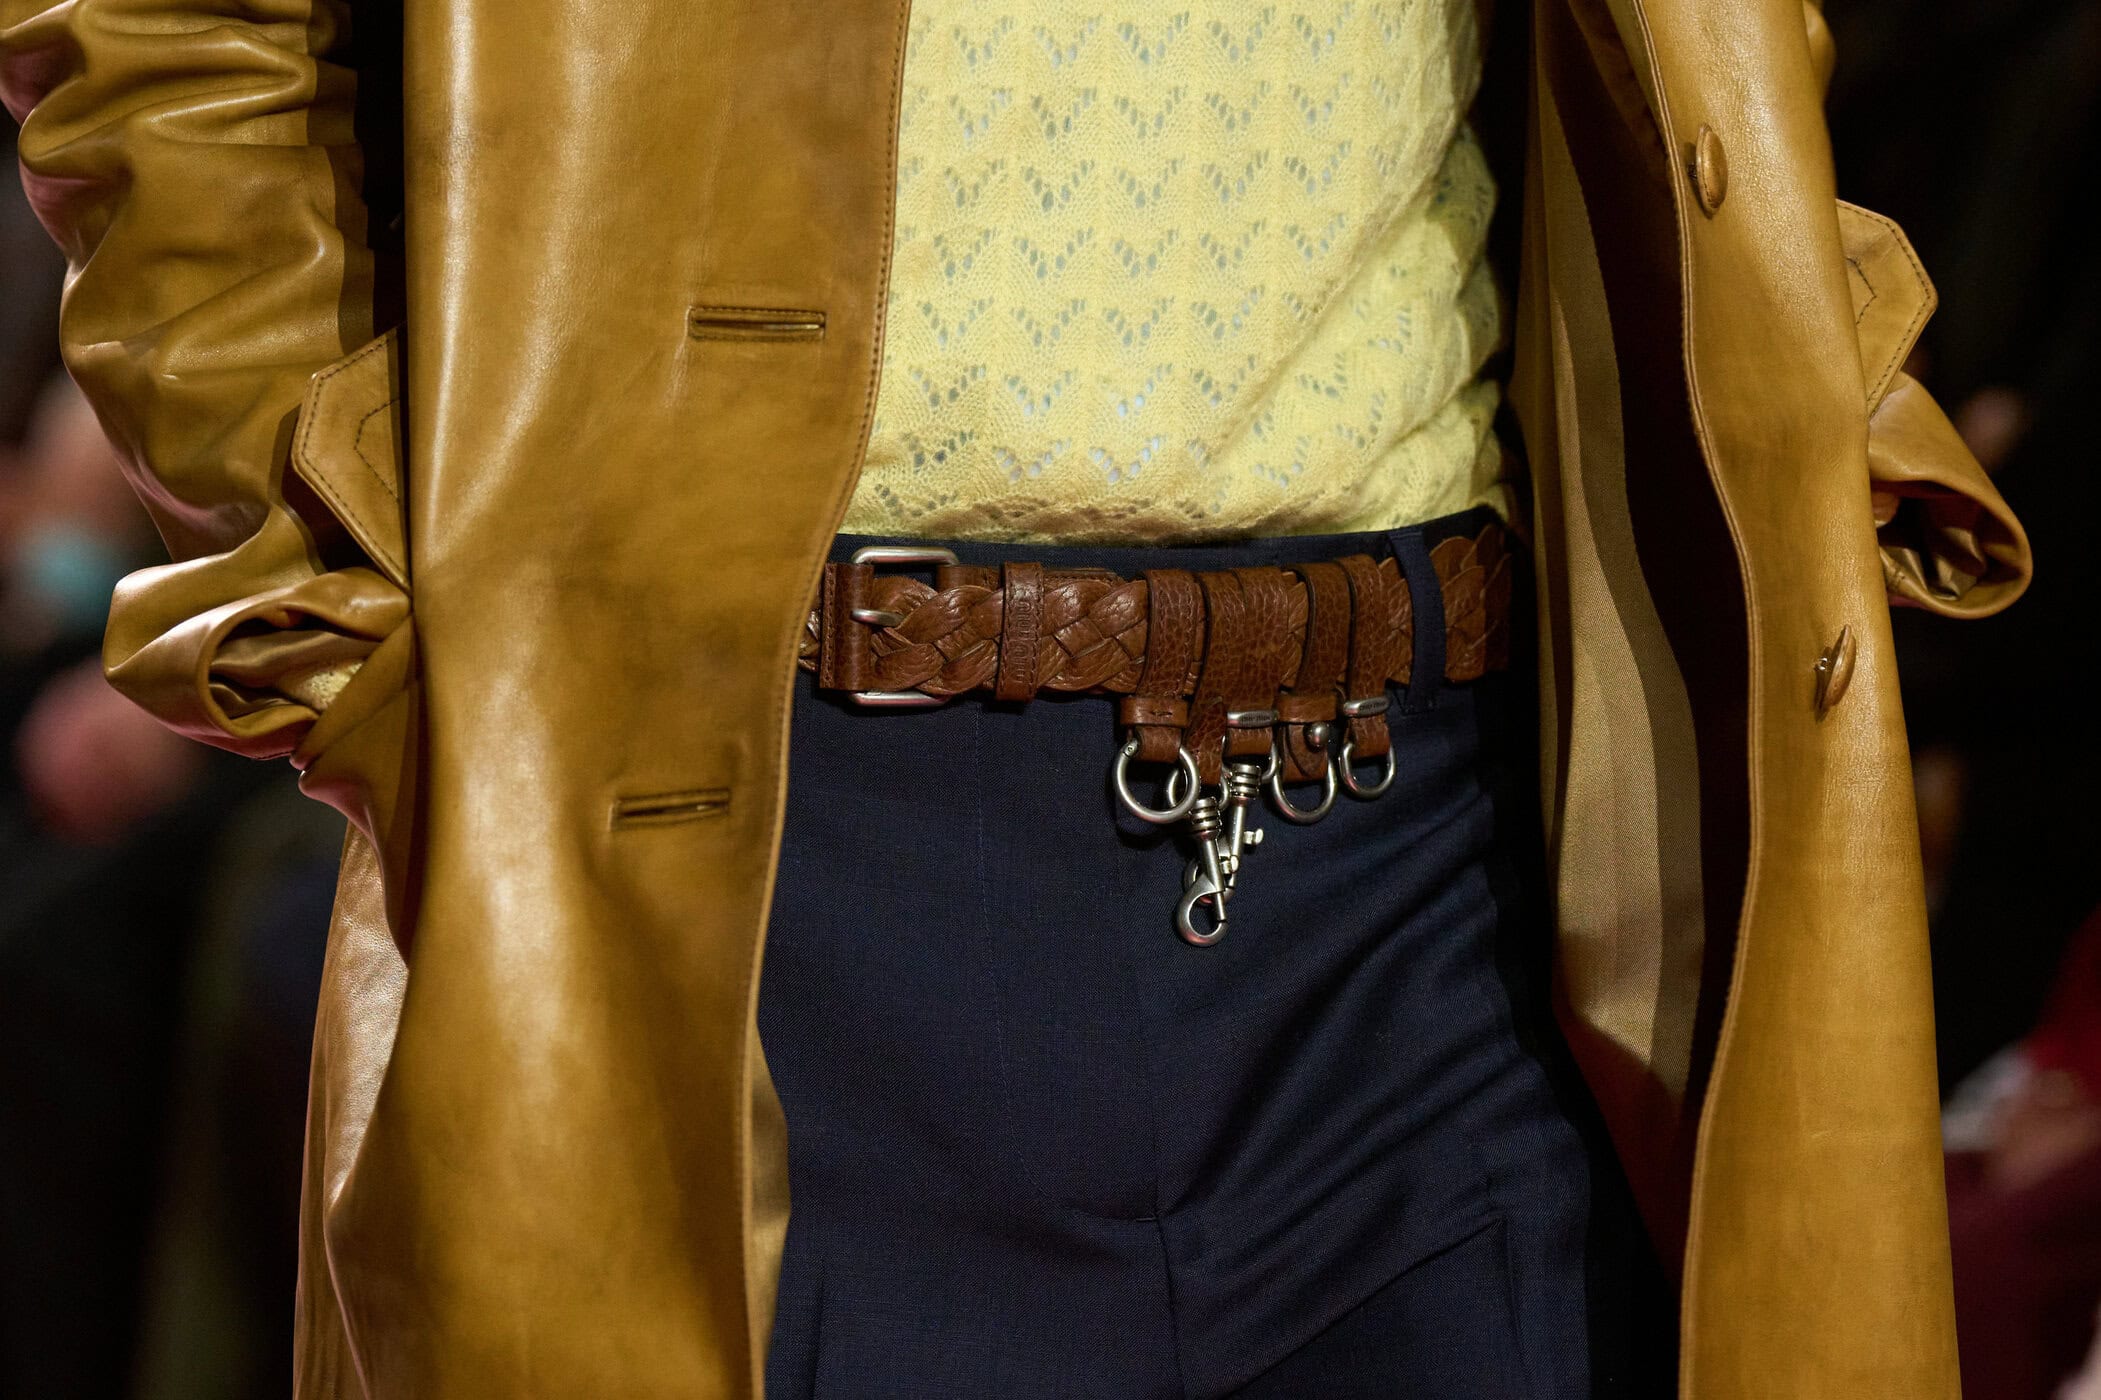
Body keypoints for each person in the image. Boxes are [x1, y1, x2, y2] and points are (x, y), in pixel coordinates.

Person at [0, 0, 2032, 1395]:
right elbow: (177, 39)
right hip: (766, 854)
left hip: (1446, 868)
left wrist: (1802, 350)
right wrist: (348, 533)